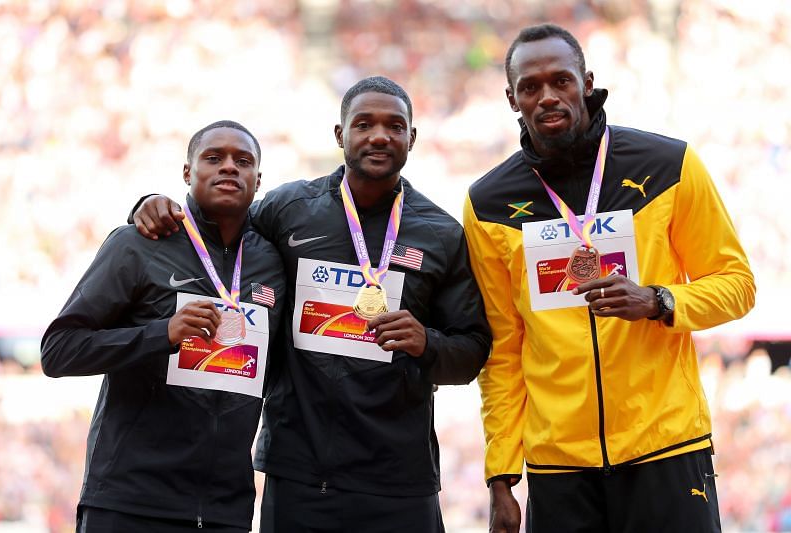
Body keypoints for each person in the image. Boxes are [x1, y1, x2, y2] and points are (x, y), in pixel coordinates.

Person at [130, 76, 491, 532]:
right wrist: (150, 203)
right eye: (363, 124)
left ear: (411, 138)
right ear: (340, 135)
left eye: (394, 126)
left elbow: (472, 351)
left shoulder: (440, 233)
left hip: (400, 479)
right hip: (299, 472)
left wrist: (427, 343)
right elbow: (215, 230)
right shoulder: (288, 208)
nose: (379, 135)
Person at [463, 23, 756, 533]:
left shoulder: (669, 164)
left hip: (665, 447)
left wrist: (658, 300)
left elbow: (737, 284)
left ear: (587, 81)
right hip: (559, 467)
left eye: (561, 81)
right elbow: (504, 350)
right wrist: (501, 477)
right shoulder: (487, 203)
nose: (548, 97)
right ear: (512, 98)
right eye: (531, 87)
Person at [41, 120, 286, 532]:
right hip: (130, 502)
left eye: (242, 161)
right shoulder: (138, 242)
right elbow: (58, 350)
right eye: (214, 158)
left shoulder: (273, 262)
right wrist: (163, 334)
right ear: (187, 173)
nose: (229, 167)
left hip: (226, 510)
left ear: (258, 180)